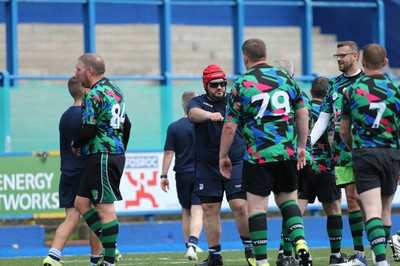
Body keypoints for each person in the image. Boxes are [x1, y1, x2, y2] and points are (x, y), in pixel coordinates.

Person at [219, 38, 312, 266]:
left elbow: (230, 126)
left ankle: (261, 261)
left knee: (257, 208)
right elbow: (302, 113)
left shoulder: (242, 84)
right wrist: (301, 146)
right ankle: (299, 241)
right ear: (265, 54)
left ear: (245, 57)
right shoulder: (285, 78)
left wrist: (223, 156)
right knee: (288, 201)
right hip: (286, 153)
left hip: (258, 155)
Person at [187, 64, 255, 266]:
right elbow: (193, 114)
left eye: (223, 84)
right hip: (207, 166)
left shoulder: (234, 100)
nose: (219, 88)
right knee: (209, 208)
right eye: (214, 84)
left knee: (240, 205)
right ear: (206, 85)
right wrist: (209, 116)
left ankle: (250, 249)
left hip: (235, 162)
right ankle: (215, 256)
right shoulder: (197, 102)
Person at [340, 43, 400, 266]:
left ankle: (381, 261)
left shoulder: (352, 90)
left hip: (365, 152)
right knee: (385, 209)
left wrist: (353, 149)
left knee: (371, 210)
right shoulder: (396, 90)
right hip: (391, 153)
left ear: (363, 62)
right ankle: (379, 259)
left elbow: (344, 130)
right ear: (385, 62)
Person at [310, 40, 367, 265]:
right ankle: (360, 255)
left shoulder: (368, 82)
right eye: (337, 56)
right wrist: (307, 145)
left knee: (368, 201)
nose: (339, 59)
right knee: (352, 200)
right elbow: (323, 119)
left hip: (366, 150)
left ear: (355, 56)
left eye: (343, 55)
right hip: (342, 153)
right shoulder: (333, 85)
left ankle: (381, 243)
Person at [72, 53, 131, 266]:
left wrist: (75, 144)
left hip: (103, 155)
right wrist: (119, 147)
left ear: (89, 71)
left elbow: (88, 129)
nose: (76, 73)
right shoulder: (116, 90)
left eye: (78, 69)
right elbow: (128, 124)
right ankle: (110, 248)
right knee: (81, 202)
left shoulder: (93, 94)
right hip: (108, 154)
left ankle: (108, 260)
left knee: (105, 208)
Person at [43, 76, 104, 266]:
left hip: (67, 172)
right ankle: (96, 259)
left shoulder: (65, 115)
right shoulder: (86, 115)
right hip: (84, 172)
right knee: (97, 216)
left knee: (71, 217)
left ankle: (53, 256)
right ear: (87, 91)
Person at [298, 76, 347, 265]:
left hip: (303, 164)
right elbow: (331, 138)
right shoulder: (329, 112)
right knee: (333, 210)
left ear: (311, 92)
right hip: (325, 166)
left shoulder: (303, 110)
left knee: (295, 210)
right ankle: (335, 255)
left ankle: (285, 252)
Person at [160, 90, 204, 261]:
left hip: (182, 174)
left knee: (186, 211)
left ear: (182, 105)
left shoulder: (174, 127)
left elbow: (168, 153)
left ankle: (189, 246)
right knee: (197, 209)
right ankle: (193, 245)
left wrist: (163, 175)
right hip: (202, 172)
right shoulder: (204, 124)